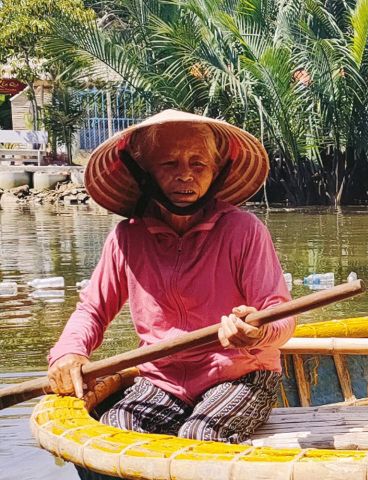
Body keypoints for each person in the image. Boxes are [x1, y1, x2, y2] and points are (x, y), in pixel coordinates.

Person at [47, 110, 294, 450]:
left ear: (215, 172)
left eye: (198, 164)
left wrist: (256, 331)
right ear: (143, 172)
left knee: (199, 436)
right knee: (117, 432)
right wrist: (69, 354)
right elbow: (93, 310)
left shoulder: (243, 231)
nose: (185, 177)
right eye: (169, 165)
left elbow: (278, 313)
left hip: (242, 374)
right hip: (162, 380)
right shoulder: (127, 238)